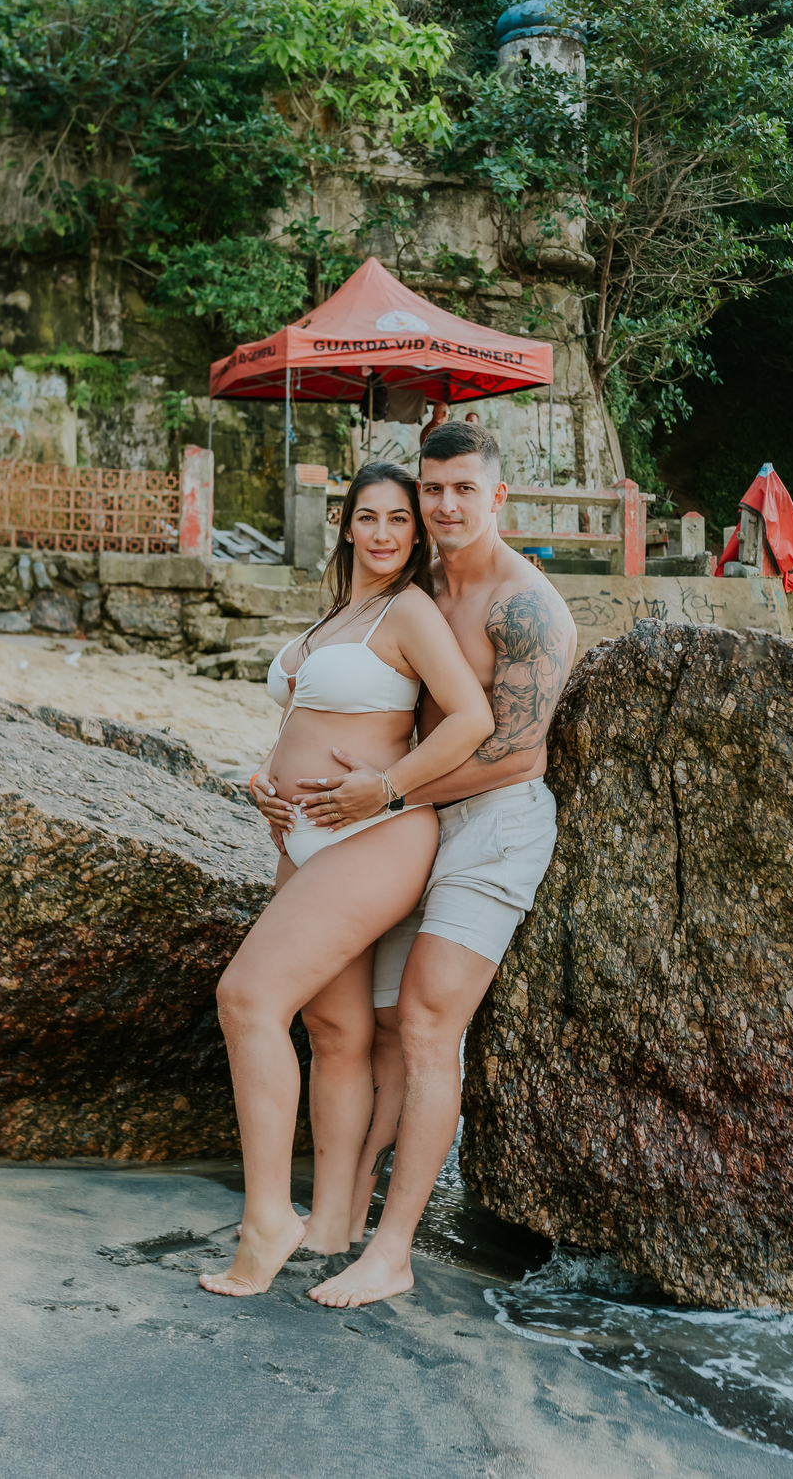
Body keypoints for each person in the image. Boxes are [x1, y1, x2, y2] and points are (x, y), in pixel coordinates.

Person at [261, 421, 576, 1307]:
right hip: (408, 824)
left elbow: (517, 753)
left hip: (491, 825)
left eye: (462, 491)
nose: (442, 506)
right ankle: (345, 1213)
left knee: (433, 1026)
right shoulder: (419, 584)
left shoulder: (529, 607)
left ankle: (392, 1251)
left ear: (497, 497)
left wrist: (391, 792)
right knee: (387, 1024)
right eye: (432, 489)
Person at [199, 461, 493, 1298]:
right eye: (369, 517)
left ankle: (267, 1225)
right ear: (345, 523)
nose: (385, 533)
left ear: (416, 530)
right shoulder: (340, 612)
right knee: (338, 1034)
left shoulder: (409, 610)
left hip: (377, 834)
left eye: (401, 519)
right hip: (301, 840)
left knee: (248, 999)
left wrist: (389, 786)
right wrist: (265, 778)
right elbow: (305, 718)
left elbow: (471, 716)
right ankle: (330, 1222)